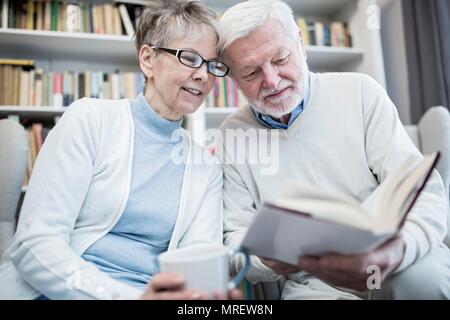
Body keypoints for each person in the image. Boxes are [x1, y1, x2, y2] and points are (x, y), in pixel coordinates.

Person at [0, 0, 240, 300]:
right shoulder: (90, 119)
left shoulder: (206, 166)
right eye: (190, 58)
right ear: (148, 59)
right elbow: (34, 244)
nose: (204, 76)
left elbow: (198, 262)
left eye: (213, 65)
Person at [216, 0, 450, 299]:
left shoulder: (361, 92)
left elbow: (424, 193)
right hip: (314, 283)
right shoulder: (232, 135)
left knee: (421, 283)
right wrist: (266, 258)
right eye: (251, 73)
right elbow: (233, 242)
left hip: (397, 260)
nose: (272, 81)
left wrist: (395, 251)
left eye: (280, 58)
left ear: (301, 45)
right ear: (233, 79)